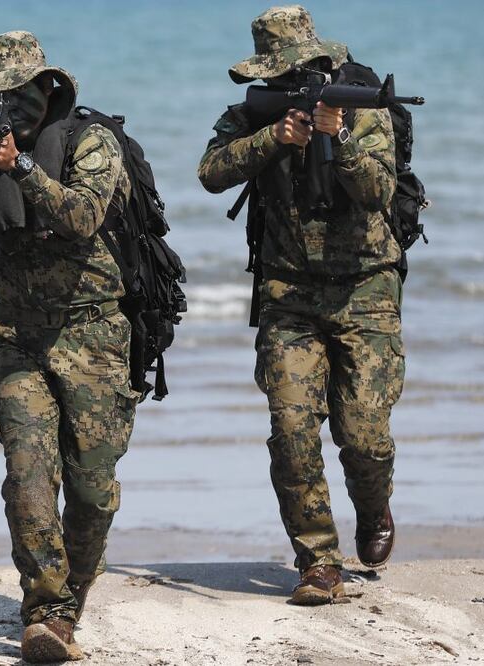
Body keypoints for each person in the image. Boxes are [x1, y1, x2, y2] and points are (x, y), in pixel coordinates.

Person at [0, 31, 138, 662]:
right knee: (28, 479)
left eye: (12, 95)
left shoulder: (92, 141)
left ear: (45, 87)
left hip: (93, 334)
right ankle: (46, 610)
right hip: (17, 339)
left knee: (93, 489)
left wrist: (20, 167)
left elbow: (81, 217)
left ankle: (71, 595)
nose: (4, 110)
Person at [198, 5, 402, 605]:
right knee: (290, 431)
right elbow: (209, 172)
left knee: (364, 435)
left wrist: (336, 135)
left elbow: (379, 192)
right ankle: (318, 560)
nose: (290, 82)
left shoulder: (361, 109)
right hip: (287, 295)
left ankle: (373, 505)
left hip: (366, 290)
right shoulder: (257, 115)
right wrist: (273, 137)